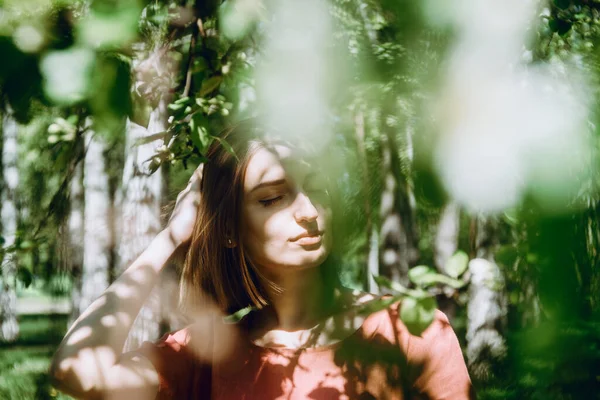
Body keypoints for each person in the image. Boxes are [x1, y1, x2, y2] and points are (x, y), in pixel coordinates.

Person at [50, 121, 474, 399]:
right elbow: (77, 372)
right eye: (272, 198)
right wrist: (171, 237)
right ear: (230, 229)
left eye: (316, 188)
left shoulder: (409, 330)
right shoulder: (205, 356)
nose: (309, 210)